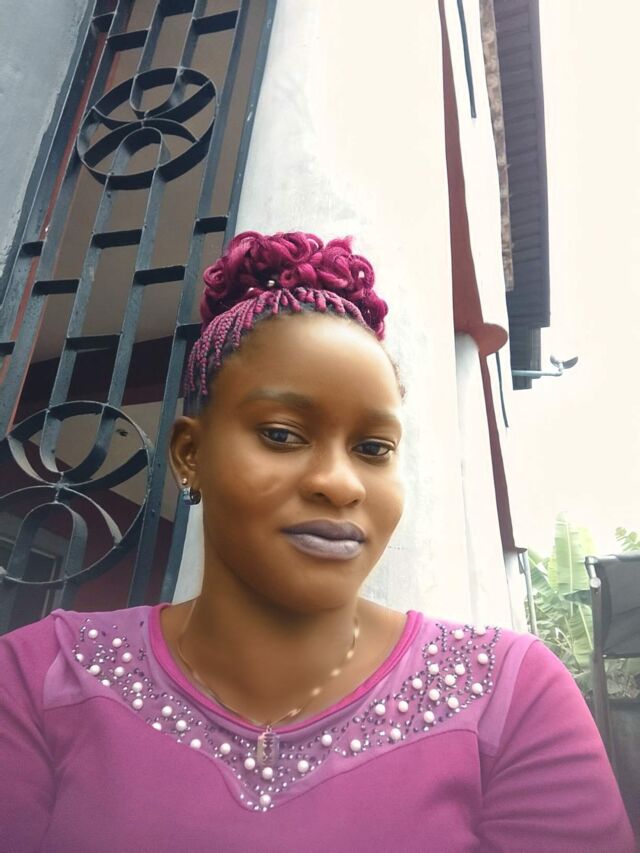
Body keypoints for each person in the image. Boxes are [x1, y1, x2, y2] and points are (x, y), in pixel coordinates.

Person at [0, 231, 634, 852]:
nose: (340, 483)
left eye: (373, 448)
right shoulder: (38, 678)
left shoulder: (509, 694)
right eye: (282, 434)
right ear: (190, 454)